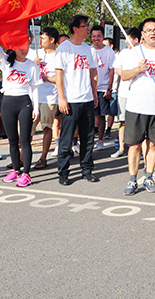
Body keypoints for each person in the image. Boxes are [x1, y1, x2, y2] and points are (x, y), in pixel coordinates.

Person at [119, 18, 155, 195]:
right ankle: (132, 180)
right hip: (136, 108)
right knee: (134, 146)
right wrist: (137, 69)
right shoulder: (133, 53)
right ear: (142, 35)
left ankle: (149, 176)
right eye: (148, 30)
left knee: (154, 146)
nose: (153, 32)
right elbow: (124, 76)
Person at [0, 29, 41, 187]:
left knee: (24, 140)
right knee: (12, 140)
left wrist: (36, 108)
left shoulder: (32, 65)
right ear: (14, 47)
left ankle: (26, 173)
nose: (24, 50)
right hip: (7, 102)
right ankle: (16, 170)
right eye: (20, 47)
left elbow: (35, 88)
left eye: (26, 47)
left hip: (24, 103)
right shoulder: (5, 61)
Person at [55, 14, 99, 186]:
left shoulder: (88, 49)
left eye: (88, 25)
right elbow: (59, 74)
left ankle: (87, 170)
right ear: (75, 29)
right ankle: (63, 172)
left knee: (87, 138)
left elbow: (92, 73)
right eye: (85, 25)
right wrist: (62, 98)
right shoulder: (64, 48)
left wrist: (94, 93)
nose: (88, 28)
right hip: (70, 100)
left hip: (87, 99)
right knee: (66, 139)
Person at [30, 26, 60, 168]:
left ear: (52, 40)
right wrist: (33, 65)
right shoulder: (35, 55)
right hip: (33, 97)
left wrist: (46, 78)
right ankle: (23, 157)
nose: (40, 41)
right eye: (40, 38)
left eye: (43, 38)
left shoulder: (58, 56)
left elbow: (62, 79)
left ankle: (43, 157)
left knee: (47, 128)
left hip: (49, 98)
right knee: (26, 129)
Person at [112, 27, 141, 159]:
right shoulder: (123, 53)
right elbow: (117, 69)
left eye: (129, 39)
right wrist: (124, 74)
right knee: (122, 122)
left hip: (137, 94)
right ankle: (122, 148)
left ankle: (136, 149)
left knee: (137, 123)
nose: (127, 42)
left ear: (136, 39)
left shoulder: (142, 53)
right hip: (123, 93)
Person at [90, 25, 116, 150]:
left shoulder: (109, 51)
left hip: (103, 88)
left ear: (103, 37)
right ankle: (89, 140)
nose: (96, 39)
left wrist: (109, 88)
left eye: (99, 36)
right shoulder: (88, 50)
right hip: (90, 89)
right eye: (94, 36)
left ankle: (100, 140)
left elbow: (112, 70)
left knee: (101, 116)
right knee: (90, 116)